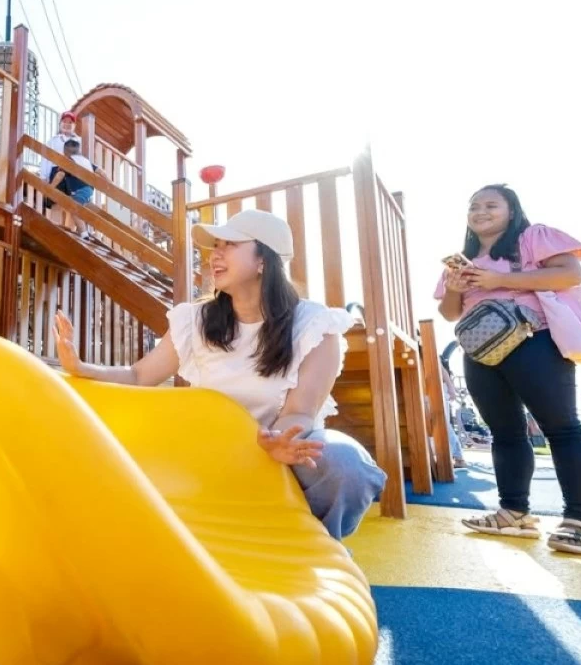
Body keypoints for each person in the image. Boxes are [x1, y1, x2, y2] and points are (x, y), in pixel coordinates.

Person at [53, 209, 387, 541]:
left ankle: (318, 545)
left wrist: (275, 442)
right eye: (215, 246)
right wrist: (81, 367)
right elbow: (139, 376)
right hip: (212, 455)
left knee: (346, 464)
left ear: (263, 260)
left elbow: (300, 411)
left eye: (230, 244)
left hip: (281, 454)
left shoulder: (314, 326)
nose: (215, 254)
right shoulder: (196, 321)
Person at [436, 184, 581, 554]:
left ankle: (579, 521)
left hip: (534, 339)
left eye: (491, 205)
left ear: (511, 211)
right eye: (474, 206)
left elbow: (570, 273)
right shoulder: (462, 259)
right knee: (504, 433)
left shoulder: (532, 238)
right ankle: (514, 513)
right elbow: (449, 313)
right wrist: (454, 288)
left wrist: (499, 280)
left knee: (561, 428)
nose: (480, 211)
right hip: (479, 349)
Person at [49, 138, 96, 238]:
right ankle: (84, 231)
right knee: (77, 207)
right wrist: (110, 183)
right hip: (89, 189)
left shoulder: (69, 161)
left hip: (81, 190)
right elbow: (101, 171)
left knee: (73, 209)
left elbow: (60, 175)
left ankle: (84, 234)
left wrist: (50, 187)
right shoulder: (85, 160)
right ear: (79, 150)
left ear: (64, 152)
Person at [440, 364, 467, 468]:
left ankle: (458, 457)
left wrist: (450, 387)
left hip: (438, 388)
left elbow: (442, 369)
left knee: (443, 424)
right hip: (426, 387)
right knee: (442, 424)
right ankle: (455, 456)